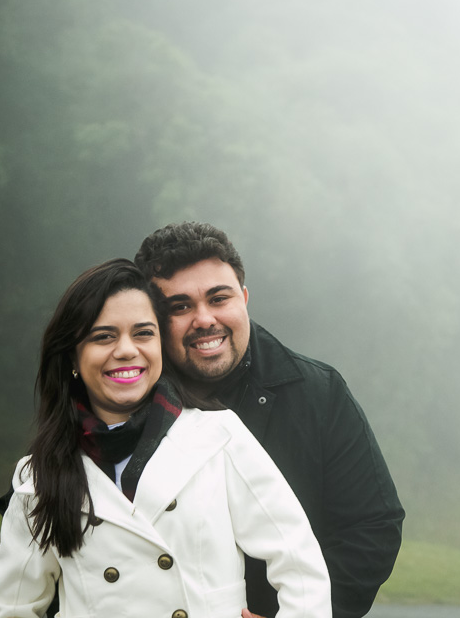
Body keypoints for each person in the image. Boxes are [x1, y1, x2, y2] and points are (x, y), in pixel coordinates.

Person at [0, 259, 331, 618]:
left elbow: (300, 563)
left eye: (143, 333)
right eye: (104, 336)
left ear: (161, 345)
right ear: (73, 355)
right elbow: (8, 607)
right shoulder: (37, 476)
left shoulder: (219, 436)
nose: (127, 350)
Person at [135, 222, 404, 618]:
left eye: (218, 298)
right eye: (180, 307)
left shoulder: (319, 392)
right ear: (154, 320)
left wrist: (301, 612)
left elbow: (372, 527)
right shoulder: (126, 400)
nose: (204, 319)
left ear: (244, 298)